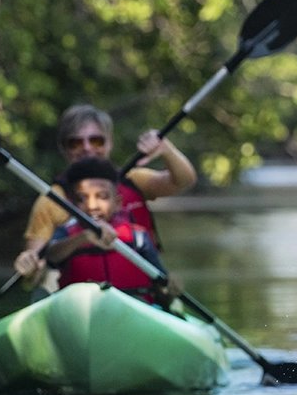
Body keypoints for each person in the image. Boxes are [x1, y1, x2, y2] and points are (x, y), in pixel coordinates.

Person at [13, 104, 197, 286]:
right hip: (75, 298)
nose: (86, 148)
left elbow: (184, 180)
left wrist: (166, 149)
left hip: (140, 295)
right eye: (75, 142)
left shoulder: (133, 180)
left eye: (96, 140)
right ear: (64, 149)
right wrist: (30, 268)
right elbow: (35, 272)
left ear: (109, 143)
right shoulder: (51, 200)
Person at [41, 158, 172, 304]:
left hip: (133, 311)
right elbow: (51, 257)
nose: (92, 206)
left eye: (102, 197)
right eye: (82, 198)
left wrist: (170, 289)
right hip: (82, 311)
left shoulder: (138, 236)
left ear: (117, 203)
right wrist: (83, 237)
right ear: (72, 204)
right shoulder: (65, 233)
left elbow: (160, 286)